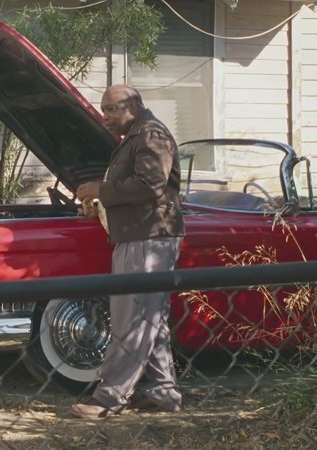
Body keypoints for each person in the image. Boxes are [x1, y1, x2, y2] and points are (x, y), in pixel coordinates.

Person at [71, 84, 185, 419]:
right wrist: (102, 207)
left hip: (149, 237)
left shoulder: (150, 136)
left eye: (110, 109)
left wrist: (101, 190)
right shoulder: (136, 137)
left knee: (132, 319)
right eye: (103, 109)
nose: (104, 116)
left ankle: (109, 398)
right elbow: (136, 191)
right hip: (140, 234)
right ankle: (162, 393)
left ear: (132, 106)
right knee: (151, 318)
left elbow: (151, 185)